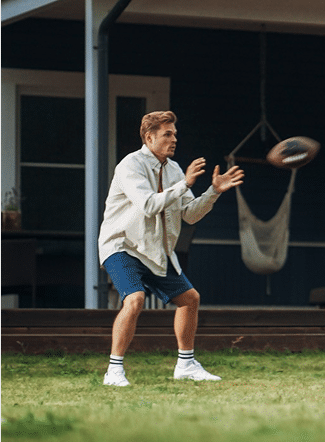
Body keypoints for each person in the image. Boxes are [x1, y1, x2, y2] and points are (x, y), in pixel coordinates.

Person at [99, 111, 244, 386]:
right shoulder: (130, 165)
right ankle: (114, 371)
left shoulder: (175, 170)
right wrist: (185, 184)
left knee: (190, 299)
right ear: (149, 137)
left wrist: (213, 192)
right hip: (122, 245)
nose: (174, 138)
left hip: (156, 251)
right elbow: (149, 205)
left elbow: (189, 214)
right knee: (135, 299)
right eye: (168, 134)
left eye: (175, 133)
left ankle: (186, 364)